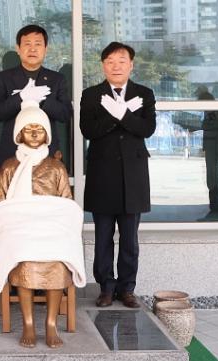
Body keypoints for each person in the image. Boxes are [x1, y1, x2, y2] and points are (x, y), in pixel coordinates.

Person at [0, 100, 85, 348]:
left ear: (47, 134)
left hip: (52, 229)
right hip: (20, 229)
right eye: (28, 129)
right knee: (24, 256)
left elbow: (67, 204)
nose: (34, 133)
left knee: (58, 259)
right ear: (18, 134)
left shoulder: (56, 167)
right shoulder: (9, 166)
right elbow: (1, 204)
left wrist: (49, 217)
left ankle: (50, 324)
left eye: (39, 129)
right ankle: (28, 324)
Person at [80, 42, 156, 308]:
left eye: (121, 61)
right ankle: (106, 288)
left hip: (133, 177)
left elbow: (147, 129)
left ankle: (127, 289)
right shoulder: (91, 95)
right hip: (102, 175)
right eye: (110, 61)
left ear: (131, 65)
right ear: (103, 65)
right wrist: (117, 115)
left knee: (129, 239)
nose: (116, 66)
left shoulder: (144, 94)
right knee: (102, 238)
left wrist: (122, 113)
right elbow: (89, 130)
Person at [0, 24, 72, 174]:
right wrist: (21, 97)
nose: (32, 49)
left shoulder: (57, 79)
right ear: (18, 48)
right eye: (27, 44)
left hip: (47, 155)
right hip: (12, 153)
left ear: (45, 49)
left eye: (38, 44)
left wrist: (43, 101)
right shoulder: (3, 78)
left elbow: (65, 114)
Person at [196, 85, 218, 221]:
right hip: (212, 146)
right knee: (212, 177)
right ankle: (214, 208)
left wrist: (202, 125)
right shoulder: (211, 111)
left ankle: (217, 209)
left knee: (215, 178)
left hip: (216, 146)